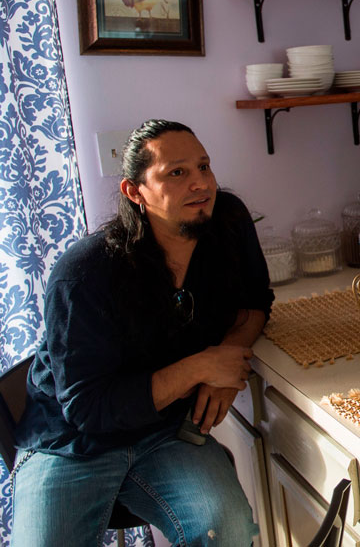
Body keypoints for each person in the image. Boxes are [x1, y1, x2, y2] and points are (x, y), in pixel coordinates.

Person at [12, 119, 273, 546]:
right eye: (177, 173)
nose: (200, 184)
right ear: (135, 193)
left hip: (163, 431)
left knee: (226, 529)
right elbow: (88, 410)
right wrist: (200, 367)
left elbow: (256, 301)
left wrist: (229, 357)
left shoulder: (226, 220)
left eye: (203, 167)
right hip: (70, 443)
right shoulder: (84, 276)